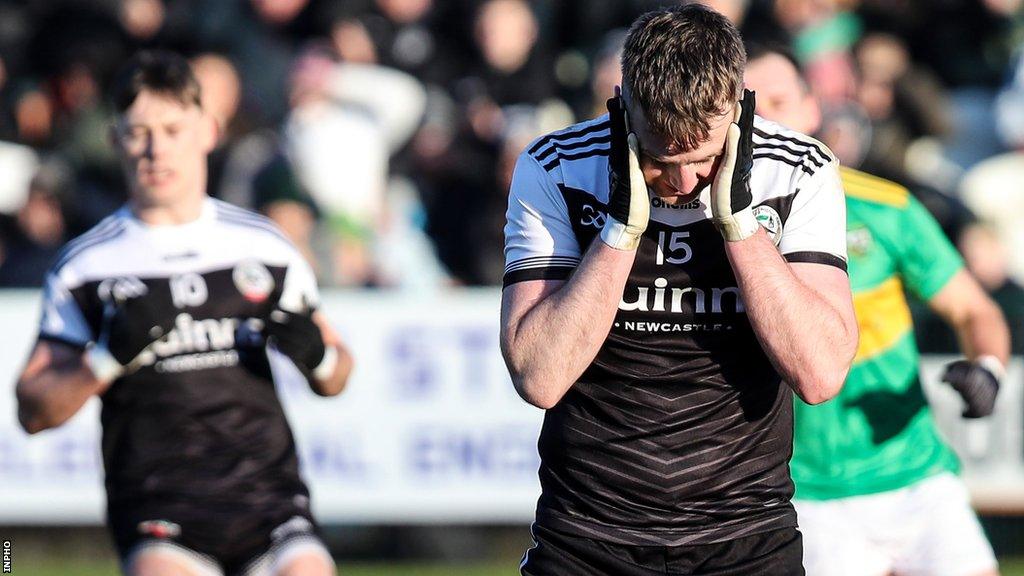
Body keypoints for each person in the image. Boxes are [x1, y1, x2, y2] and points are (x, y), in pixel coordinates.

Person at [500, 6, 858, 575]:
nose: (687, 181)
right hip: (587, 533)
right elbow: (539, 377)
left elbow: (819, 373)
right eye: (663, 159)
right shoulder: (557, 166)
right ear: (623, 106)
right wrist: (620, 232)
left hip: (747, 532)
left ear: (740, 108)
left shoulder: (798, 170)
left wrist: (740, 225)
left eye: (706, 159)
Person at [15, 50, 354, 576]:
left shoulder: (264, 248)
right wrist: (103, 361)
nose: (156, 149)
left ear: (209, 131)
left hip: (270, 503)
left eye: (173, 129)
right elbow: (32, 409)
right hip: (158, 510)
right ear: (115, 140)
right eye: (138, 132)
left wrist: (320, 358)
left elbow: (336, 374)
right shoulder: (87, 265)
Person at [744, 44, 1009, 576]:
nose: (767, 119)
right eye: (749, 106)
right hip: (800, 494)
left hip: (915, 477)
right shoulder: (706, 231)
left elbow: (975, 311)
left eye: (780, 100)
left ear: (811, 109)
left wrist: (988, 369)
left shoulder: (886, 208)